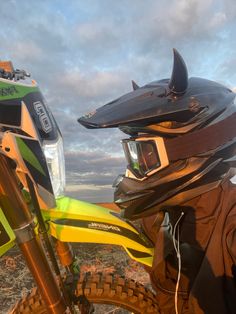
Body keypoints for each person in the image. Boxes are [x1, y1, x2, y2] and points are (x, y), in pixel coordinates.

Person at [78, 49, 236, 313]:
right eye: (132, 155)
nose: (134, 170)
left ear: (195, 149)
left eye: (144, 155)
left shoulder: (230, 229)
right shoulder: (161, 217)